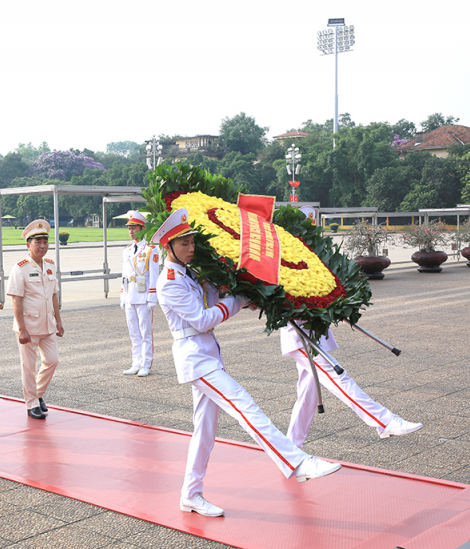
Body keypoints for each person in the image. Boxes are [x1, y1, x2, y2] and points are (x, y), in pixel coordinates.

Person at [154, 208, 342, 518]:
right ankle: (296, 462)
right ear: (168, 246)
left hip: (207, 355)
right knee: (245, 405)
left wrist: (249, 290)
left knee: (204, 430)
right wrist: (238, 300)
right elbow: (203, 319)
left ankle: (190, 494)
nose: (191, 248)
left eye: (191, 242)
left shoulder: (191, 272)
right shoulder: (169, 281)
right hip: (196, 359)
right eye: (184, 243)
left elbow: (218, 296)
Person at [280, 323, 423, 446]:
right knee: (337, 377)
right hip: (299, 336)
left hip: (313, 330)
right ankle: (384, 420)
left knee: (308, 393)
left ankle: (291, 448)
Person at [6, 219, 64, 420]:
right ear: (28, 245)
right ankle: (31, 404)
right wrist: (21, 329)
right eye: (37, 242)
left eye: (45, 242)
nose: (42, 246)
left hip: (48, 325)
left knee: (52, 360)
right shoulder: (20, 268)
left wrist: (59, 320)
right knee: (28, 367)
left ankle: (37, 394)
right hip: (28, 327)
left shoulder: (50, 265)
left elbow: (54, 295)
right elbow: (17, 301)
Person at [120, 210, 160, 377]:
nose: (131, 231)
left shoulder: (151, 250)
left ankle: (146, 364)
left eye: (134, 228)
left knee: (145, 333)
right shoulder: (127, 250)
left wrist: (152, 298)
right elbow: (124, 276)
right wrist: (123, 296)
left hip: (143, 296)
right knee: (134, 333)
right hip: (131, 296)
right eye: (129, 228)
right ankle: (136, 363)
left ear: (142, 228)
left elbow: (154, 276)